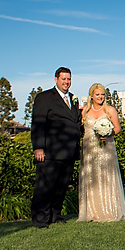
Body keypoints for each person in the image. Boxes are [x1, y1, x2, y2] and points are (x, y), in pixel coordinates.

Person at [30, 67, 81, 228]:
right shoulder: (44, 97)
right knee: (45, 186)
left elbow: (76, 122)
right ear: (56, 79)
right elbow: (38, 123)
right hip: (51, 151)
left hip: (69, 151)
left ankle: (55, 214)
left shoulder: (73, 98)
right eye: (63, 79)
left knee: (61, 186)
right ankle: (40, 219)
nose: (66, 82)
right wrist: (38, 147)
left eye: (69, 79)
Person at [77, 83, 125, 223]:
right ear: (91, 96)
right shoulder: (84, 111)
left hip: (106, 147)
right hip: (89, 147)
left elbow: (117, 128)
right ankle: (91, 212)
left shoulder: (110, 110)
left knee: (107, 176)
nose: (100, 97)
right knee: (91, 177)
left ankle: (109, 210)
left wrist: (108, 133)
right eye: (97, 95)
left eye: (102, 94)